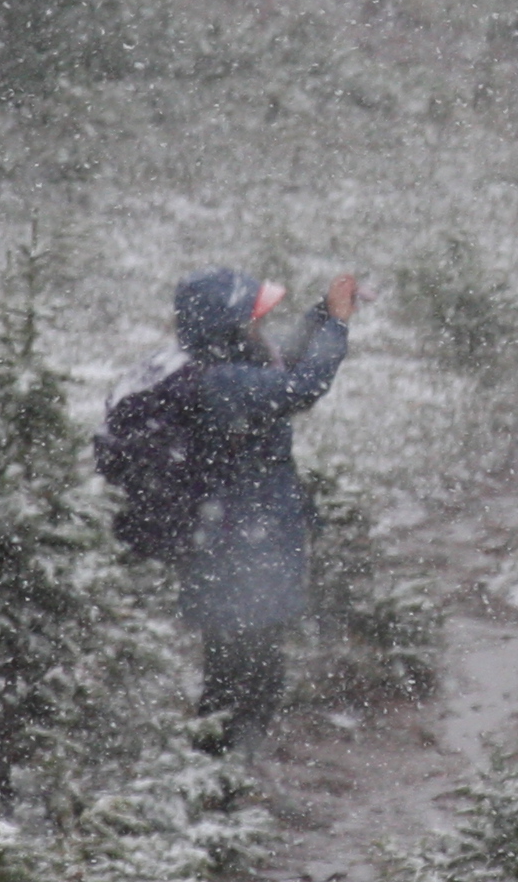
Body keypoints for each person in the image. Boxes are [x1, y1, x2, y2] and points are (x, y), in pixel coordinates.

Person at [114, 266, 359, 748]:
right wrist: (338, 326)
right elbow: (302, 387)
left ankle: (225, 762)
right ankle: (224, 770)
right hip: (240, 542)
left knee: (239, 661)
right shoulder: (223, 383)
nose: (260, 328)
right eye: (252, 318)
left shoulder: (220, 365)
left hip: (234, 536)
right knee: (245, 670)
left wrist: (320, 314)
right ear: (226, 326)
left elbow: (284, 356)